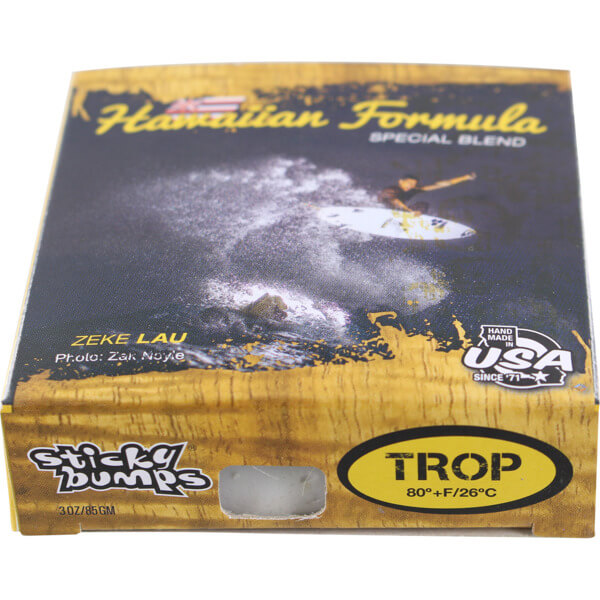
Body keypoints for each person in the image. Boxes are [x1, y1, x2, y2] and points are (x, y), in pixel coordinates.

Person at [379, 172, 476, 216]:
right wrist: (409, 211)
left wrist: (465, 177)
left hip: (401, 212)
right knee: (398, 203)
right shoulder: (392, 189)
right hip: (383, 210)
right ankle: (410, 215)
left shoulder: (413, 190)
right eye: (409, 183)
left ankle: (414, 220)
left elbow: (440, 185)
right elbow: (395, 201)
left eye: (413, 184)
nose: (411, 186)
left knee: (423, 205)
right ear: (400, 181)